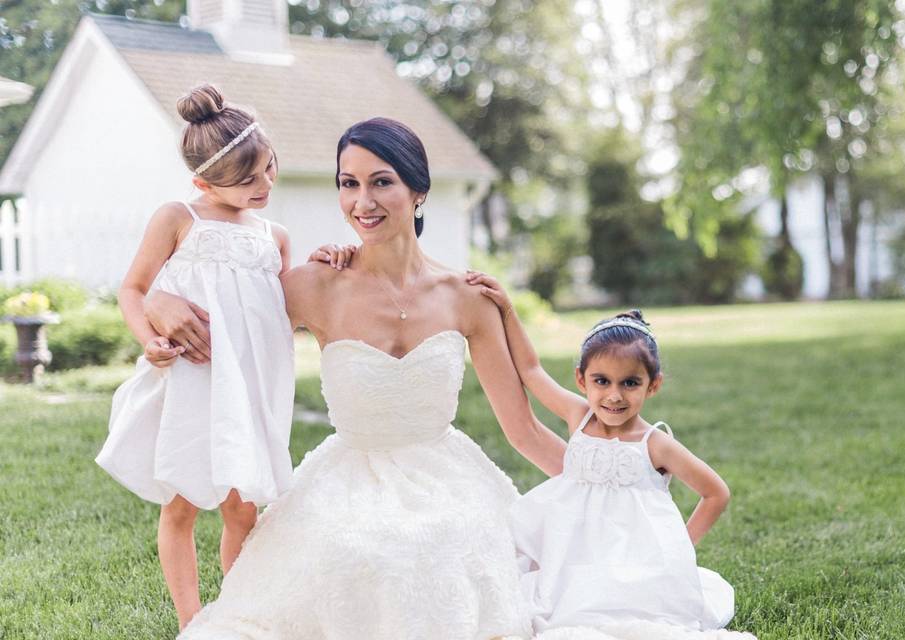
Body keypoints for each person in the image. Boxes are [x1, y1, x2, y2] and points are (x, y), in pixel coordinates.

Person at [141, 116, 568, 639]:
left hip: (450, 481)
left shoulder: (469, 297)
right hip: (345, 480)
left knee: (444, 541)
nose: (362, 202)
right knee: (353, 548)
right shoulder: (313, 286)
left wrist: (605, 481)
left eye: (381, 181)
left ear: (419, 190)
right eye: (349, 184)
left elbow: (523, 431)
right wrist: (157, 299)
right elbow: (224, 311)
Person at [95, 84, 351, 631]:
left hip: (254, 384)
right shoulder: (177, 217)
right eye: (246, 180)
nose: (264, 186)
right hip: (194, 381)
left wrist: (322, 263)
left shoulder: (274, 236)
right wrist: (149, 336)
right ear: (202, 182)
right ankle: (193, 622)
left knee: (243, 508)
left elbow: (285, 306)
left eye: (268, 169)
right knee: (183, 505)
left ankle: (237, 614)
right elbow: (134, 289)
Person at [466, 272, 754, 639]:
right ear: (582, 380)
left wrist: (679, 550)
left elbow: (716, 492)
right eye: (602, 381)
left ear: (653, 385)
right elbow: (531, 370)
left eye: (630, 383)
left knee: (629, 617)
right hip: (573, 552)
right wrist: (507, 309)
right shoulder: (578, 415)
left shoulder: (655, 443)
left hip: (632, 560)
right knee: (548, 605)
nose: (614, 396)